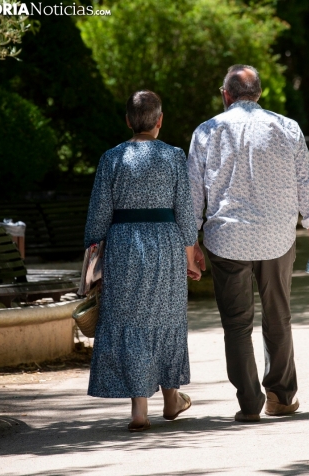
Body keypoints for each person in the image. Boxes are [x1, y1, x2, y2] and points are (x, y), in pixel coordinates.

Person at [188, 65, 309, 422]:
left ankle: (249, 403)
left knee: (236, 324)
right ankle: (281, 397)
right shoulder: (287, 127)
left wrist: (190, 245)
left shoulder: (207, 131)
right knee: (278, 316)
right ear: (259, 94)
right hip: (277, 237)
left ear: (225, 95)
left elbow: (193, 193)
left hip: (227, 239)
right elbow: (305, 184)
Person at [84, 90, 202, 432]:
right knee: (165, 317)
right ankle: (171, 398)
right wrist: (190, 256)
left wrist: (94, 255)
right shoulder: (174, 156)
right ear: (160, 121)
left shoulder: (112, 158)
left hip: (124, 247)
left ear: (128, 121)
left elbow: (97, 218)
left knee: (130, 319)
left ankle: (139, 409)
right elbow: (185, 213)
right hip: (165, 244)